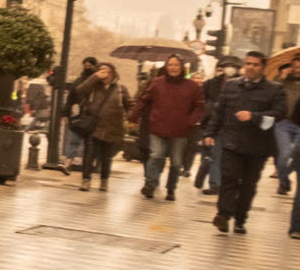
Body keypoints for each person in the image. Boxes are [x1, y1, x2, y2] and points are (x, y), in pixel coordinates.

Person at [203, 50, 281, 234]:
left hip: (258, 146)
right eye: (248, 64)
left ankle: (240, 219)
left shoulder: (274, 89)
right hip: (232, 142)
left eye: (255, 64)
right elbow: (219, 112)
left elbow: (279, 113)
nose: (251, 67)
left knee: (248, 185)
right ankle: (223, 215)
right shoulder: (231, 86)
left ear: (263, 67)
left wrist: (254, 116)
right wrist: (210, 133)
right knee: (229, 179)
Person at [133, 52, 203, 200]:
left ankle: (171, 188)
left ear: (182, 67)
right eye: (170, 64)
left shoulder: (192, 86)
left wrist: (190, 121)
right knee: (156, 155)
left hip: (180, 131)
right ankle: (150, 185)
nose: (173, 68)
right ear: (166, 66)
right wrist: (133, 116)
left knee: (176, 163)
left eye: (176, 65)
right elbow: (144, 100)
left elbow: (199, 106)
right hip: (158, 127)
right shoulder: (157, 83)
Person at [72, 62, 130, 191]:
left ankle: (104, 180)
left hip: (112, 128)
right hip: (94, 127)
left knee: (106, 157)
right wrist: (94, 78)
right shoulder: (93, 87)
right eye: (101, 71)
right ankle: (86, 180)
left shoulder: (120, 89)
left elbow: (129, 105)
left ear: (113, 73)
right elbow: (79, 90)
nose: (105, 74)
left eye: (107, 71)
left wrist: (130, 120)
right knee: (89, 155)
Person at [194, 63, 234, 195]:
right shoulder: (211, 83)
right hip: (210, 122)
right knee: (210, 154)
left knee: (216, 155)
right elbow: (200, 101)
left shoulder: (239, 85)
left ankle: (212, 182)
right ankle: (209, 182)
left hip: (228, 126)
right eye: (221, 69)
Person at [60, 57, 99, 168]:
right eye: (85, 65)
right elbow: (70, 98)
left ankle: (84, 162)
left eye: (90, 65)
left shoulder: (98, 82)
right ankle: (69, 161)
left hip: (92, 117)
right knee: (74, 139)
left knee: (87, 142)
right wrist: (65, 113)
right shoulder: (78, 80)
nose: (87, 66)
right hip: (79, 115)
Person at [273, 58, 300, 197]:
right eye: (295, 67)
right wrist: (282, 77)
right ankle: (284, 182)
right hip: (283, 123)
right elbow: (271, 91)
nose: (297, 70)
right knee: (284, 155)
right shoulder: (283, 81)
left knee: (295, 154)